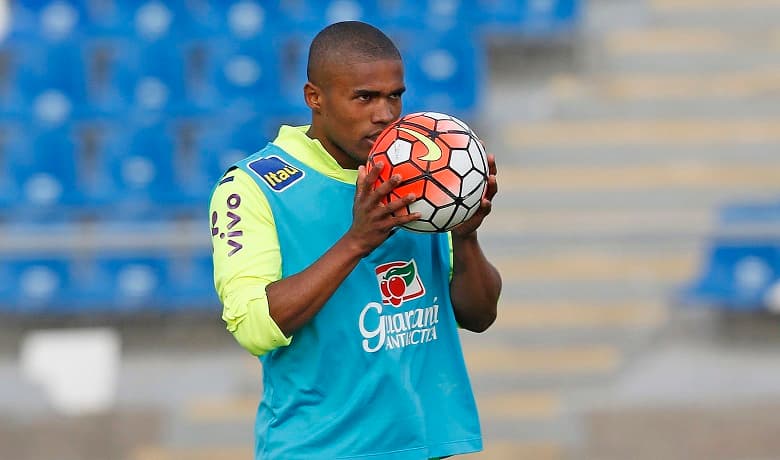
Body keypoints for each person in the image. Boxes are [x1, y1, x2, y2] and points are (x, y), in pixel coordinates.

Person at [209, 20, 501, 460]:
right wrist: (356, 242)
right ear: (315, 98)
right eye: (364, 97)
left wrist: (466, 236)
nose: (384, 114)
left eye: (394, 96)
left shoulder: (419, 175)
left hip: (425, 445)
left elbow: (480, 316)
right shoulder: (252, 188)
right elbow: (253, 327)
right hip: (320, 450)